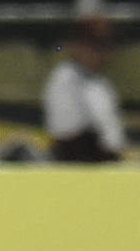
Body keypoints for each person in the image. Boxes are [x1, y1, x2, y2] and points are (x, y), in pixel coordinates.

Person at [44, 17, 123, 162]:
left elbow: (114, 139)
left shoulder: (102, 84)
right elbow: (67, 137)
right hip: (76, 166)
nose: (101, 54)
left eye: (105, 47)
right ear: (77, 46)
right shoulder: (64, 79)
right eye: (94, 47)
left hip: (106, 165)